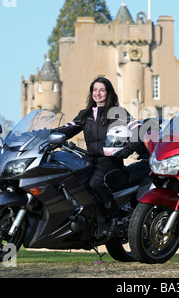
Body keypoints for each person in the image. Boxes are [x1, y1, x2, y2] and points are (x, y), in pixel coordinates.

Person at [54, 77, 142, 237]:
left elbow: (139, 129)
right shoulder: (85, 114)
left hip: (110, 163)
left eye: (102, 90)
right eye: (95, 90)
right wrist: (45, 135)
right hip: (89, 160)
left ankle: (116, 220)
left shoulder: (118, 113)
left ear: (108, 93)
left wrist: (128, 150)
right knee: (70, 179)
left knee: (96, 182)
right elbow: (68, 129)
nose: (98, 93)